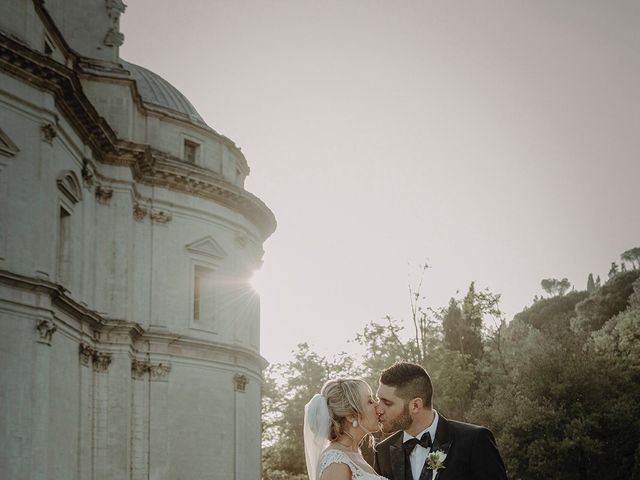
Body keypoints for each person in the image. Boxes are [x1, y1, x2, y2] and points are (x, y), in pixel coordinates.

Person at [374, 362, 507, 480]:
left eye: (387, 402)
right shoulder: (382, 451)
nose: (378, 409)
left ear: (415, 405)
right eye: (378, 399)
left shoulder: (474, 441)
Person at [304, 378, 389, 480]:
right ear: (351, 416)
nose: (377, 405)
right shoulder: (336, 463)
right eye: (370, 401)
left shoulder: (353, 454)